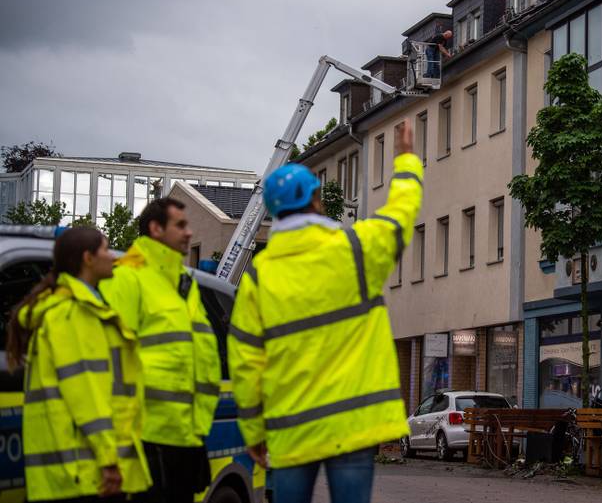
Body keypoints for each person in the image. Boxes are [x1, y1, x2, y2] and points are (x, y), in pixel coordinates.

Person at [228, 122, 423, 503]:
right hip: (353, 424)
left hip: (291, 429)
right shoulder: (355, 250)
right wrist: (405, 162)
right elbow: (400, 214)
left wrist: (252, 432)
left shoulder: (258, 278)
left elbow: (245, 364)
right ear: (317, 199)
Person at [7, 227, 151, 502]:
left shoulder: (78, 307)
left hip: (77, 472)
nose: (114, 257)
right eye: (106, 249)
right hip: (83, 473)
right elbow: (86, 393)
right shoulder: (73, 313)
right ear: (87, 258)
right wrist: (109, 460)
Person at [100, 198, 220, 503]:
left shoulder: (182, 283)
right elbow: (110, 360)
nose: (189, 232)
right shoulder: (127, 277)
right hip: (145, 439)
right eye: (180, 225)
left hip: (185, 434)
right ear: (155, 228)